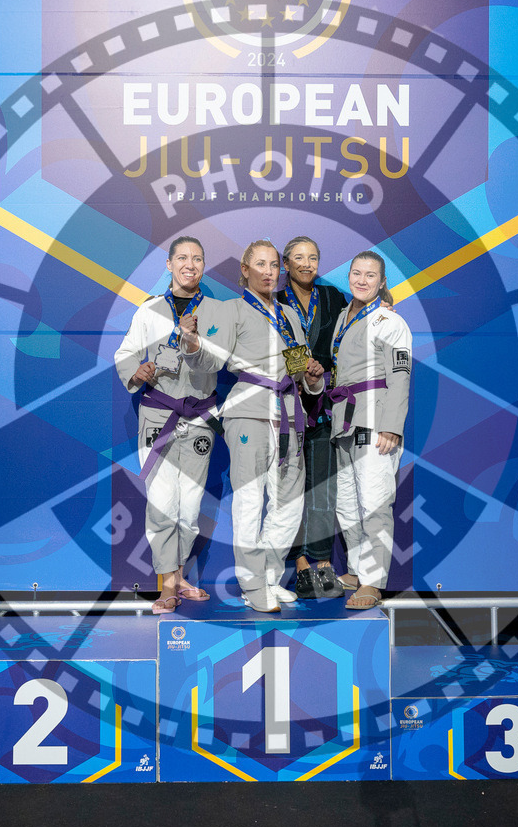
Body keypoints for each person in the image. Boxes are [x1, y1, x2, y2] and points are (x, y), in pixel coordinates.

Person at [187, 239, 326, 612]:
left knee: (288, 503)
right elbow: (207, 363)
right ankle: (251, 586)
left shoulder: (289, 315)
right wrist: (190, 344)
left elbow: (299, 371)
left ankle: (268, 577)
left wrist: (312, 377)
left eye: (273, 265)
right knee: (250, 502)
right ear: (245, 271)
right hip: (248, 411)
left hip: (289, 414)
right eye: (260, 265)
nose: (269, 271)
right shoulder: (231, 310)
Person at [113, 235, 226, 614]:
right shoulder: (148, 312)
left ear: (203, 266)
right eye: (182, 258)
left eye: (196, 258)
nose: (189, 264)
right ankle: (167, 583)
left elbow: (218, 362)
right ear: (169, 264)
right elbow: (125, 353)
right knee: (162, 502)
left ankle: (178, 575)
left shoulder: (218, 312)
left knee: (190, 505)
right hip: (158, 414)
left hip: (199, 416)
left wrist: (193, 343)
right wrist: (138, 369)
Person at [328, 251, 412, 609]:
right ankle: (357, 570)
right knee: (347, 503)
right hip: (344, 418)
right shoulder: (343, 318)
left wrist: (392, 426)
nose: (362, 280)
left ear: (382, 282)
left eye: (370, 275)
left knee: (375, 502)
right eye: (356, 273)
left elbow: (401, 377)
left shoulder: (391, 322)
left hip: (376, 418)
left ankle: (374, 582)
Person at [277, 236, 348, 599]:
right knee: (289, 487)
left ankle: (322, 562)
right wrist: (302, 372)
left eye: (314, 257)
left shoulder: (334, 298)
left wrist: (382, 304)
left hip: (326, 403)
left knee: (323, 483)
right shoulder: (273, 302)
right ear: (285, 264)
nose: (307, 263)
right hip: (288, 403)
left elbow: (354, 326)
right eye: (299, 258)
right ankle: (300, 565)